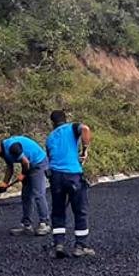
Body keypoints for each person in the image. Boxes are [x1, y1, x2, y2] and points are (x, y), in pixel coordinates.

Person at [45, 110, 94, 258]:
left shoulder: (50, 137)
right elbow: (85, 129)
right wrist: (84, 150)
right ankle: (80, 246)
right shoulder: (72, 128)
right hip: (72, 175)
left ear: (52, 123)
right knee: (80, 210)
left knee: (58, 211)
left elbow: (49, 156)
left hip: (55, 177)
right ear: (65, 119)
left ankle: (58, 244)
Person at [0, 136, 51, 236]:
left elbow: (25, 162)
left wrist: (23, 174)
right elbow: (10, 168)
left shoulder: (13, 147)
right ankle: (26, 225)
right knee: (26, 196)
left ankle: (44, 223)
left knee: (38, 194)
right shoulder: (3, 152)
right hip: (28, 165)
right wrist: (4, 183)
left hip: (38, 163)